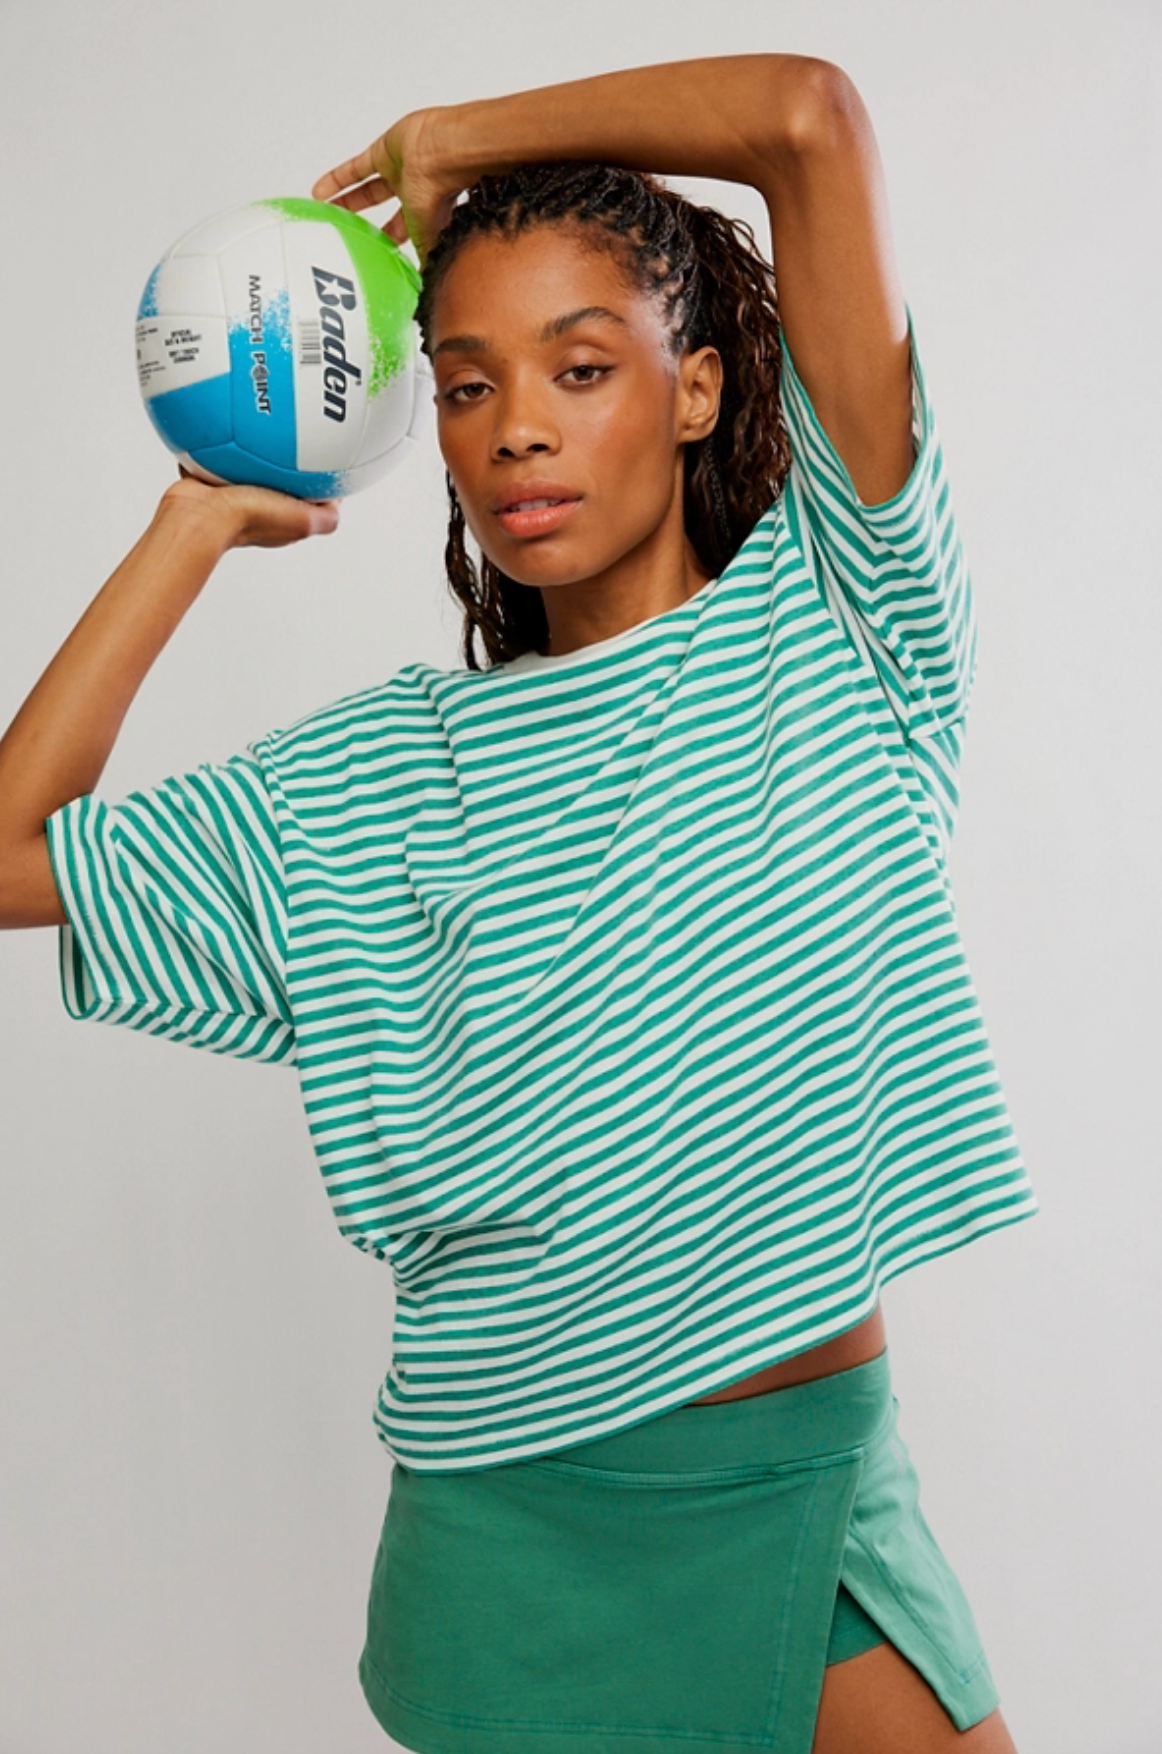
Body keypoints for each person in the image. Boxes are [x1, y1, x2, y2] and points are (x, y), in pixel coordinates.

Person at [0, 52, 1037, 1754]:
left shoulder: (845, 620)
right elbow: (9, 852)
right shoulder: (385, 775)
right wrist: (191, 524)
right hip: (515, 1514)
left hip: (805, 1481)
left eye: (577, 365)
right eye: (466, 386)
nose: (519, 427)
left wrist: (453, 147)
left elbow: (805, 121)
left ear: (694, 388)